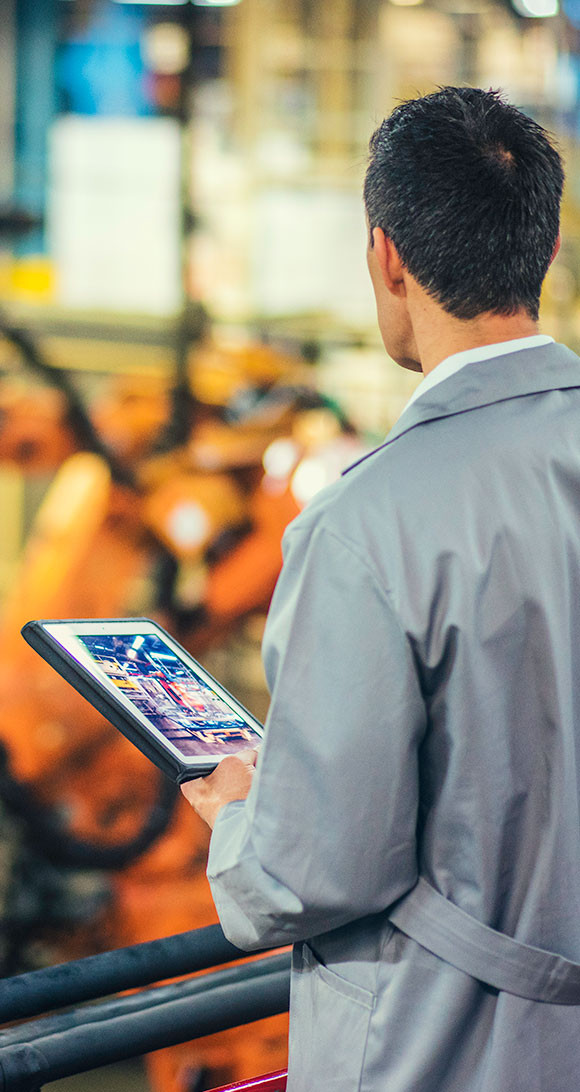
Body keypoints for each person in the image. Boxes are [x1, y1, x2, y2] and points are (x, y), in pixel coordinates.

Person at [181, 86, 580, 1091]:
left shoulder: (366, 524)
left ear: (387, 257)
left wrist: (239, 817)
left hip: (448, 1049)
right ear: (545, 247)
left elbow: (314, 871)